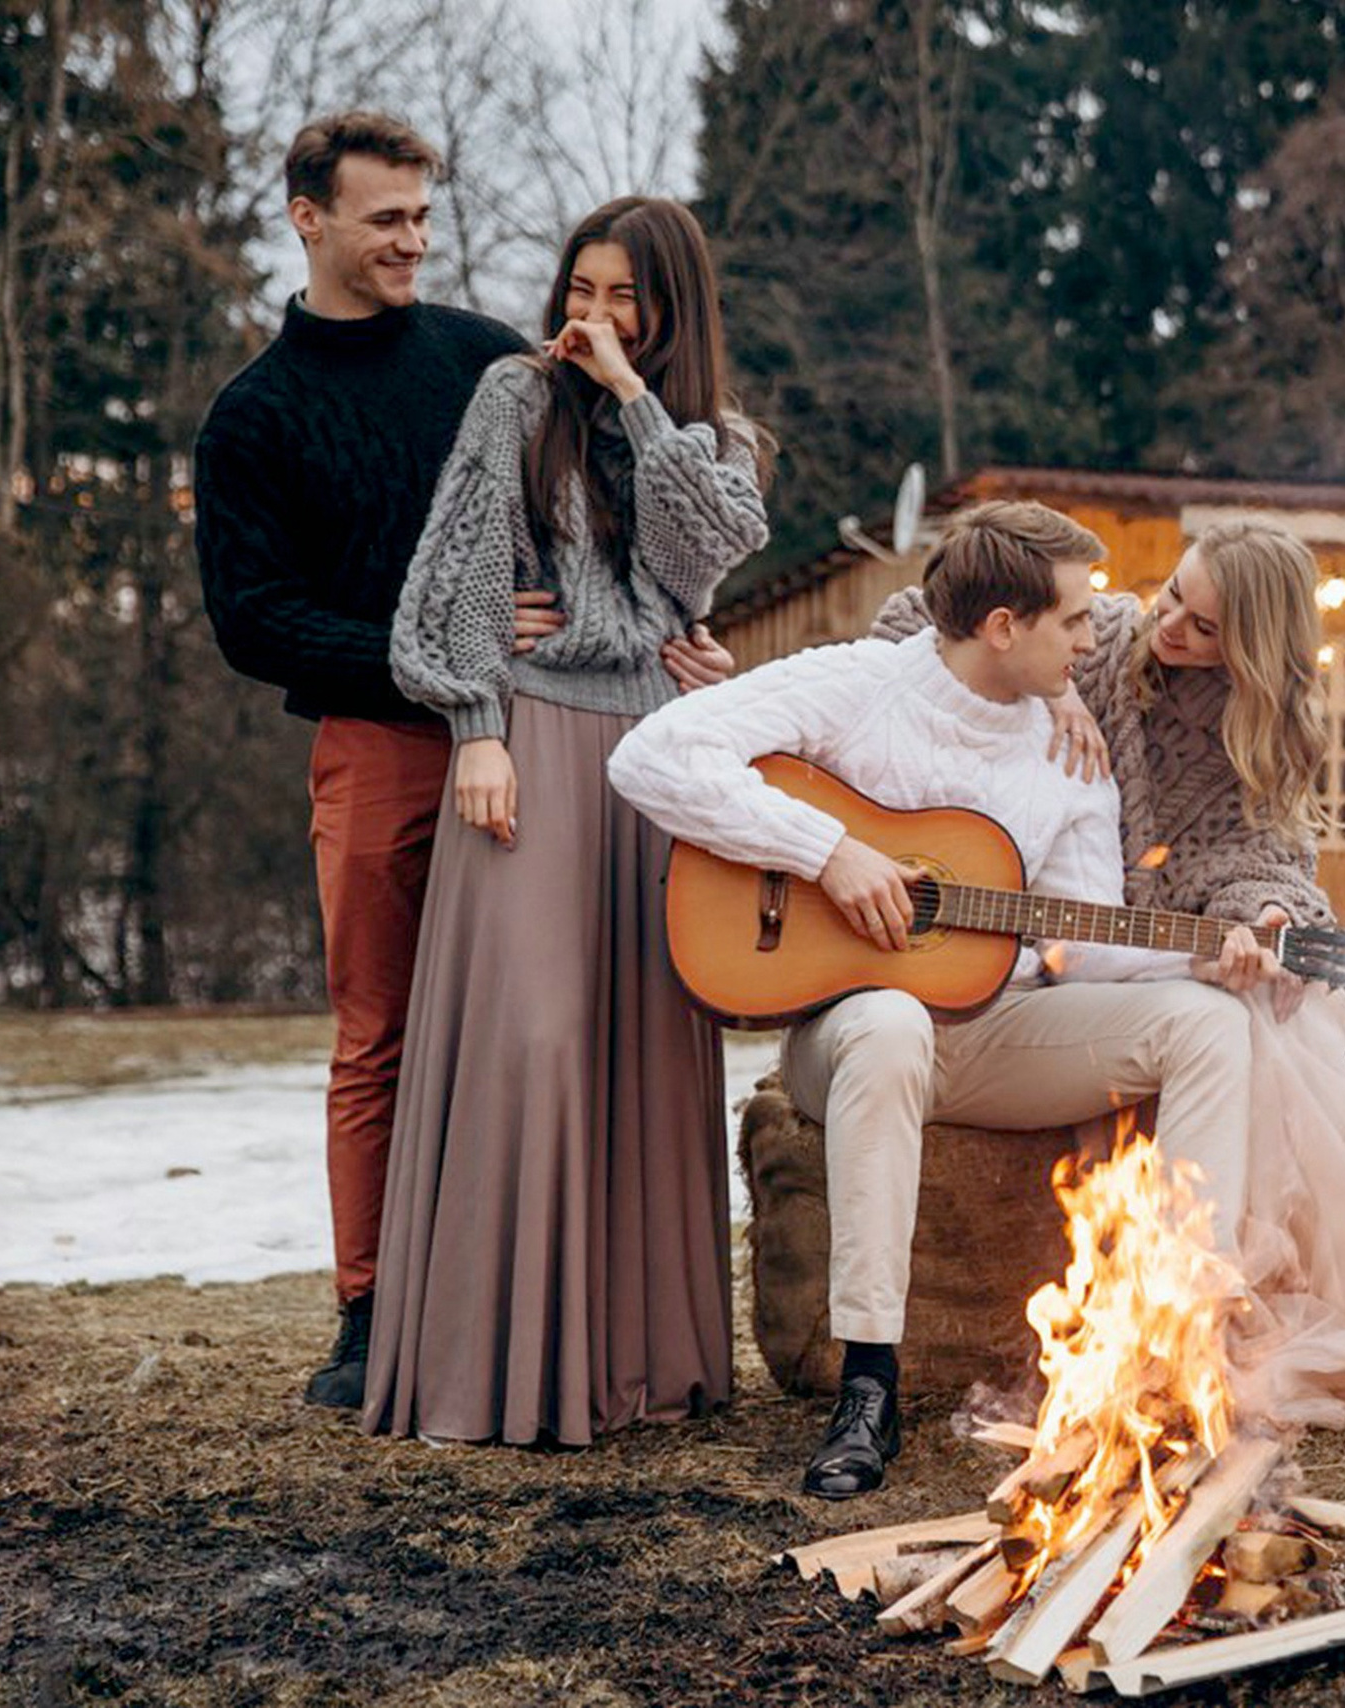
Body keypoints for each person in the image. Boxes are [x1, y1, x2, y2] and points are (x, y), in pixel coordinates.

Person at [874, 520, 1345, 1427]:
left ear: (1254, 649)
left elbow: (1261, 857)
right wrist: (1034, 689)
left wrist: (1264, 919)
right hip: (1039, 935)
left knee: (1272, 1024)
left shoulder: (1265, 727)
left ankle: (1212, 1308)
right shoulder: (1088, 636)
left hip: (1143, 944)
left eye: (1204, 625)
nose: (1169, 624)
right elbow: (915, 614)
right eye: (1173, 594)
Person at [608, 501, 1256, 1498]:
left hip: (995, 1032)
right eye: (1076, 619)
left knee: (1208, 1023)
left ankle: (1174, 1351)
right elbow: (649, 756)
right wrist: (829, 852)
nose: (1096, 639)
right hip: (848, 1031)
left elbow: (1080, 942)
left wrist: (1204, 957)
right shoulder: (854, 684)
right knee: (891, 1018)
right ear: (1004, 627)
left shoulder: (1066, 753)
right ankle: (866, 1382)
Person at [358, 196, 769, 1446]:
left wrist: (637, 400)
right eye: (579, 290)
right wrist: (474, 725)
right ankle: (493, 1372)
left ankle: (640, 1369)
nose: (590, 316)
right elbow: (451, 582)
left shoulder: (711, 437)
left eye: (622, 297)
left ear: (669, 313)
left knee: (644, 1043)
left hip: (653, 754)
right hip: (528, 735)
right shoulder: (509, 399)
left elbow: (705, 558)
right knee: (535, 1036)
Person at [194, 113, 533, 1409]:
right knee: (378, 1034)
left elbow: (580, 508)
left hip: (533, 733)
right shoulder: (254, 417)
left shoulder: (481, 359)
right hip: (378, 746)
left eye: (421, 216)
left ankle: (512, 1283)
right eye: (386, 218)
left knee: (522, 1018)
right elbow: (252, 619)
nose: (413, 240)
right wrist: (432, 658)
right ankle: (368, 1310)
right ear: (307, 217)